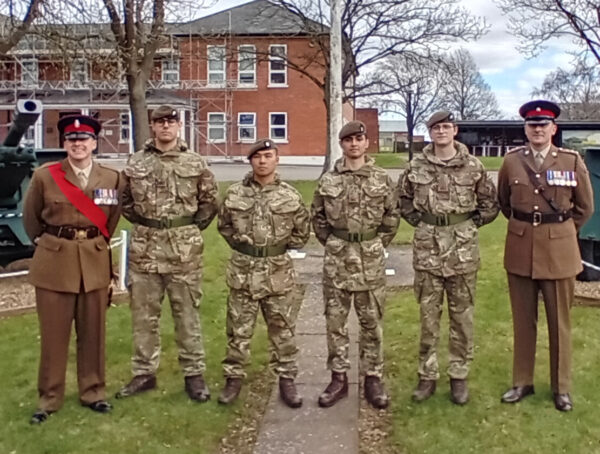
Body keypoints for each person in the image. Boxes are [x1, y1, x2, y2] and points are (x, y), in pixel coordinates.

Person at [23, 115, 122, 424]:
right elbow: (31, 220)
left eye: (84, 140)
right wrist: (53, 243)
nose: (78, 144)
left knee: (93, 333)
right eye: (71, 140)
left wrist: (94, 245)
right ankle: (49, 398)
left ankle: (93, 392)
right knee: (53, 335)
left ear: (94, 143)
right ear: (64, 144)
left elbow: (112, 218)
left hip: (93, 262)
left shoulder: (112, 178)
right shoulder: (44, 176)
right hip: (55, 263)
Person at [116, 105, 218, 402]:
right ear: (152, 127)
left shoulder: (195, 162)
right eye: (160, 122)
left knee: (187, 314)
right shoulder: (135, 162)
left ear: (178, 126)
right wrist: (149, 225)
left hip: (183, 252)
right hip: (145, 251)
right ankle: (144, 373)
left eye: (171, 121)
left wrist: (186, 228)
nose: (165, 127)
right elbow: (126, 202)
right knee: (143, 316)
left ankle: (194, 374)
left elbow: (209, 202)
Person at [498, 100, 594, 412]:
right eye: (532, 125)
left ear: (554, 128)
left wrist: (562, 231)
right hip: (521, 249)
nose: (537, 130)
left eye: (543, 125)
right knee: (523, 321)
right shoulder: (511, 161)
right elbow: (505, 202)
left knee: (559, 323)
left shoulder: (571, 160)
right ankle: (522, 381)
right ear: (525, 129)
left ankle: (561, 388)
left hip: (559, 252)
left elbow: (584, 207)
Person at [398, 111, 499, 405]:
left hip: (462, 253)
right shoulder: (415, 165)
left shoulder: (473, 166)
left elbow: (489, 204)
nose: (441, 131)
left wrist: (467, 226)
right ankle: (426, 375)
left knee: (462, 317)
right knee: (428, 318)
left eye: (445, 127)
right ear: (429, 133)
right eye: (435, 128)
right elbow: (403, 200)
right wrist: (423, 223)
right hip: (428, 252)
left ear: (454, 130)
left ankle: (459, 375)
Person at [311, 121, 399, 409]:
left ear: (366, 142)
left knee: (371, 321)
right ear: (342, 144)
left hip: (370, 258)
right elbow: (319, 218)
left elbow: (391, 217)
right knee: (335, 322)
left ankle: (372, 377)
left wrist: (374, 244)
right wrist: (336, 243)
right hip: (337, 258)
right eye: (348, 140)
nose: (354, 144)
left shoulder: (382, 179)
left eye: (359, 139)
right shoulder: (328, 180)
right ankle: (338, 378)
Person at [217, 138, 310, 408]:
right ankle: (233, 378)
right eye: (257, 157)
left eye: (268, 156)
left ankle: (286, 379)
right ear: (251, 161)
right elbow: (224, 226)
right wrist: (244, 247)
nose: (263, 161)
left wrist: (275, 249)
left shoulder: (290, 196)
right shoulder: (235, 193)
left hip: (277, 272)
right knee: (238, 329)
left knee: (283, 329)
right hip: (243, 271)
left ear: (276, 159)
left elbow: (301, 233)